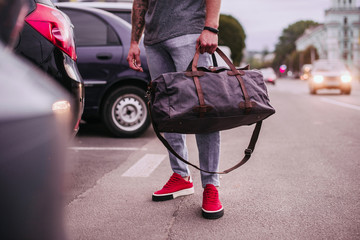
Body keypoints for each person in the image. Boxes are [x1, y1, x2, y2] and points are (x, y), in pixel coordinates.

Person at [127, 0, 223, 219]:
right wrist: (135, 41)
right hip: (154, 41)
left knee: (202, 110)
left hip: (189, 33)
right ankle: (180, 175)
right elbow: (140, 1)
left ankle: (211, 185)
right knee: (167, 111)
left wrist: (211, 27)